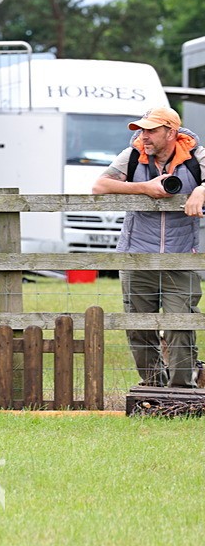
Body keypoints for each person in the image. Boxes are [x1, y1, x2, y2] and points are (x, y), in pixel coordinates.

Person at [92, 106, 205, 387]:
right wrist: (145, 188)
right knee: (139, 329)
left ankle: (182, 390)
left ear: (171, 132)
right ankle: (153, 386)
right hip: (136, 258)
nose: (144, 136)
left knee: (180, 325)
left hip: (180, 259)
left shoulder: (196, 157)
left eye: (151, 130)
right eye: (141, 130)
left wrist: (201, 190)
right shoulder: (132, 155)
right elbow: (100, 186)